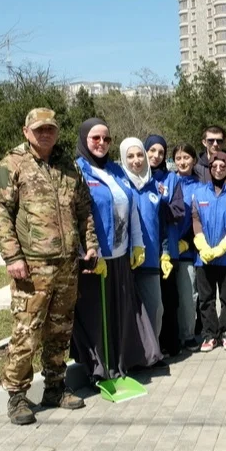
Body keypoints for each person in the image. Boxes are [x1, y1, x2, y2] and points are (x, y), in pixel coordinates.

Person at [0, 107, 99, 425]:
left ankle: (55, 387)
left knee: (59, 330)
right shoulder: (10, 165)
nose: (45, 134)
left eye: (50, 129)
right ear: (26, 132)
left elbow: (84, 209)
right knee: (27, 331)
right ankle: (17, 397)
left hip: (67, 264)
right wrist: (12, 257)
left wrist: (89, 245)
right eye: (39, 129)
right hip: (32, 266)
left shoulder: (68, 167)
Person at [71, 118, 162, 381]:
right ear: (84, 139)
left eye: (106, 139)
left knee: (120, 316)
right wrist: (85, 253)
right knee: (97, 318)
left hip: (120, 258)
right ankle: (99, 369)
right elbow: (74, 215)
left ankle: (122, 362)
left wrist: (137, 245)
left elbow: (131, 206)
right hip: (95, 260)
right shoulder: (78, 171)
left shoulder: (115, 170)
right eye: (95, 138)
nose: (101, 143)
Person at [120, 137, 172, 352]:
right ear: (123, 158)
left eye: (140, 155)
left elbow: (161, 226)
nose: (136, 160)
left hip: (150, 259)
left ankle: (152, 353)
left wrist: (165, 252)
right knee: (127, 312)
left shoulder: (155, 188)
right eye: (130, 156)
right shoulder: (120, 186)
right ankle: (132, 356)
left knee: (155, 309)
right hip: (124, 261)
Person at [192, 152, 226, 352]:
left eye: (222, 166)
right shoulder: (198, 193)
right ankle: (209, 334)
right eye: (214, 166)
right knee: (206, 299)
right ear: (209, 168)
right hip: (204, 256)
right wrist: (202, 245)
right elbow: (196, 220)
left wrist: (224, 244)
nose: (218, 169)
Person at [145, 134, 186, 357]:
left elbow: (179, 211)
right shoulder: (138, 177)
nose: (156, 155)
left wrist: (159, 207)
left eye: (160, 152)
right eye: (152, 151)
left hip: (168, 252)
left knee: (169, 300)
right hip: (145, 251)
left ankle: (171, 343)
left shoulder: (172, 180)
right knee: (150, 302)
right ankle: (151, 346)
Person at [168, 143, 202, 349]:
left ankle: (188, 335)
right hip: (167, 250)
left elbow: (202, 219)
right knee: (170, 298)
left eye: (186, 158)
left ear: (194, 160)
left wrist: (188, 241)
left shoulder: (199, 186)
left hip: (188, 250)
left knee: (189, 294)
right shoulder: (168, 182)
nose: (182, 162)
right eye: (178, 158)